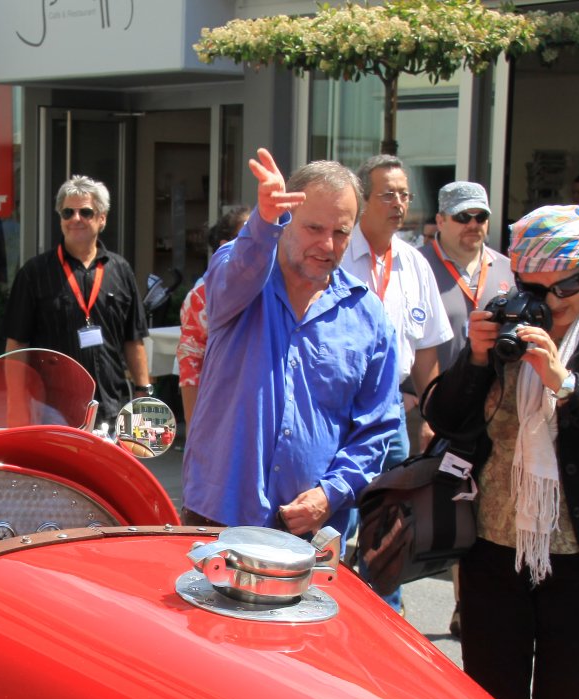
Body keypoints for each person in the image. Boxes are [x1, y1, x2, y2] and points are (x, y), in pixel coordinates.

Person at [421, 204, 579, 699]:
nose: (551, 301)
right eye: (534, 288)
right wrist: (475, 359)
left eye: (565, 286)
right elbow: (446, 417)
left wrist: (566, 383)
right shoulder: (509, 312)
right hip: (494, 542)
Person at [181, 148, 398, 536]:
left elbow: (377, 426)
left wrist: (330, 494)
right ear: (286, 221)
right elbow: (238, 272)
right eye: (314, 228)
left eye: (340, 232)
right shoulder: (242, 276)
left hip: (311, 530)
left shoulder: (367, 314)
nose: (327, 245)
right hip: (219, 517)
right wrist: (263, 221)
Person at [417, 180, 516, 637]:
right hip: (434, 409)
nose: (473, 225)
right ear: (440, 221)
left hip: (493, 411)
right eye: (463, 217)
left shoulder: (507, 269)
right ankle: (387, 597)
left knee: (478, 507)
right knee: (440, 510)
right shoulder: (418, 267)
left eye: (481, 217)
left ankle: (466, 604)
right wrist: (420, 406)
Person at [3, 175, 150, 425]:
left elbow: (133, 340)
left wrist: (143, 393)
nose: (75, 219)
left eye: (86, 212)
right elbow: (17, 343)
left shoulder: (120, 270)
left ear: (102, 218)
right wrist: (16, 405)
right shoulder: (34, 273)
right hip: (52, 411)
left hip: (111, 407)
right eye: (67, 212)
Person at [342, 155, 453, 466]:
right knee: (341, 494)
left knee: (391, 494)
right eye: (388, 194)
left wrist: (431, 418)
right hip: (340, 403)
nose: (399, 204)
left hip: (391, 408)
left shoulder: (415, 263)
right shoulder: (338, 255)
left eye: (405, 195)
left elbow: (426, 349)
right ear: (362, 199)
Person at [175, 203, 250, 424]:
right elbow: (191, 370)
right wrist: (194, 434)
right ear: (226, 246)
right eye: (248, 236)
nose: (260, 242)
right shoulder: (202, 298)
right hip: (222, 419)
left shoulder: (283, 290)